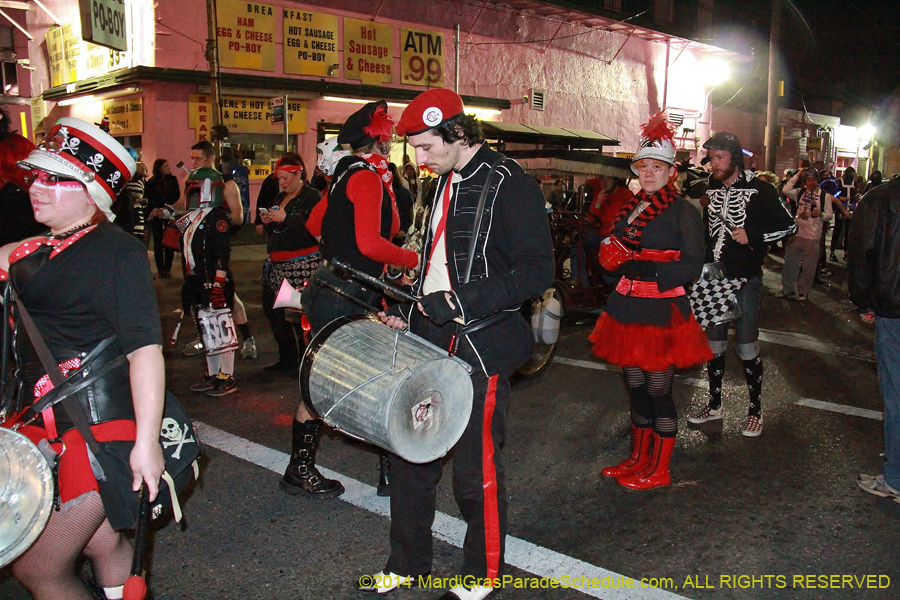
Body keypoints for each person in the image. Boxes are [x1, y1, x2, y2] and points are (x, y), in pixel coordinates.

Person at [362, 88, 554, 600]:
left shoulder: (511, 183)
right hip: (429, 336)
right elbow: (434, 265)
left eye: (427, 147)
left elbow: (537, 272)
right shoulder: (441, 181)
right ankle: (408, 565)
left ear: (457, 134)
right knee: (410, 458)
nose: (421, 159)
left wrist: (459, 301)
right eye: (416, 149)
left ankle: (482, 575)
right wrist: (408, 308)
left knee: (475, 468)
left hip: (481, 343)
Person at [0, 117, 165, 600]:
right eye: (36, 175)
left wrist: (147, 443)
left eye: (55, 178)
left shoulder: (117, 253)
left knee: (37, 569)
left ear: (93, 192)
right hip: (44, 420)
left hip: (96, 432)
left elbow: (145, 350)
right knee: (101, 541)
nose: (37, 187)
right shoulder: (42, 247)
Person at [283, 101, 418, 499]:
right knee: (339, 380)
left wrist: (340, 247)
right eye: (388, 136)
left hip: (338, 288)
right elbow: (371, 243)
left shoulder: (348, 173)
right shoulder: (367, 178)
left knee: (368, 375)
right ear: (379, 141)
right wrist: (413, 259)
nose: (391, 141)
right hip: (348, 293)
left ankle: (380, 471)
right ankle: (302, 469)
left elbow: (314, 225)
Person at [589, 113, 712, 490]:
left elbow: (692, 264)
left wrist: (647, 268)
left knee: (659, 389)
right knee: (636, 385)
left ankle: (660, 469)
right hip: (628, 306)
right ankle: (637, 458)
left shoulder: (683, 211)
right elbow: (617, 248)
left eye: (657, 167)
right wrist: (612, 266)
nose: (648, 173)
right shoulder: (632, 206)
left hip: (661, 309)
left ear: (671, 172)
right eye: (643, 166)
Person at [687, 132, 796, 437]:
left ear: (734, 158)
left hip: (746, 276)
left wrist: (754, 235)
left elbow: (789, 225)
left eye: (720, 158)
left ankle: (755, 411)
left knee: (747, 346)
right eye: (711, 158)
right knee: (714, 345)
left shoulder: (761, 189)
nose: (714, 164)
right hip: (714, 276)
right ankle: (714, 405)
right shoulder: (710, 186)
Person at [848, 177, 900, 500]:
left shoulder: (881, 199)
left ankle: (896, 476)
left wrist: (865, 301)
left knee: (896, 393)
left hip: (894, 309)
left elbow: (862, 253)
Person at [179, 141, 244, 397]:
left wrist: (218, 281)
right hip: (197, 277)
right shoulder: (194, 216)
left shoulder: (217, 218)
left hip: (213, 278)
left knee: (220, 327)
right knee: (206, 328)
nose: (192, 191)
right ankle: (212, 373)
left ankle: (226, 375)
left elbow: (222, 254)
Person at [254, 153, 322, 372]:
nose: (282, 183)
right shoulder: (280, 197)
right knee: (274, 313)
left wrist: (286, 219)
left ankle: (304, 362)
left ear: (298, 174)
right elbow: (279, 229)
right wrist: (269, 221)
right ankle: (287, 358)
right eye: (279, 178)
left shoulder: (311, 197)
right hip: (277, 265)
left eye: (286, 178)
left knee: (299, 317)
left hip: (301, 265)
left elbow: (314, 230)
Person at [775, 169, 834, 301]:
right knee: (790, 264)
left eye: (813, 180)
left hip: (813, 236)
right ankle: (787, 289)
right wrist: (797, 174)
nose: (811, 182)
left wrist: (821, 214)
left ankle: (803, 292)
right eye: (808, 180)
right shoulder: (799, 192)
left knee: (809, 267)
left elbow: (829, 215)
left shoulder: (825, 196)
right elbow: (785, 190)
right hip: (797, 233)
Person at [145, 158, 181, 278]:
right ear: (159, 168)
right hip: (157, 214)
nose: (168, 168)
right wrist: (156, 209)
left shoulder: (172, 180)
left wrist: (169, 206)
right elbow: (149, 198)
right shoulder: (151, 182)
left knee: (169, 239)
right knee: (158, 241)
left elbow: (177, 195)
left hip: (169, 212)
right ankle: (160, 269)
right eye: (165, 166)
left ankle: (168, 268)